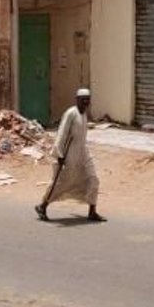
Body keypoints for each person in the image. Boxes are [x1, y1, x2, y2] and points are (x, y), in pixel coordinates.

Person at [36, 88, 104, 222]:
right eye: (83, 99)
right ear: (77, 100)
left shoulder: (84, 114)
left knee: (93, 178)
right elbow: (61, 134)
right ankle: (43, 205)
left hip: (83, 151)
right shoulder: (71, 114)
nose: (86, 102)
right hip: (69, 153)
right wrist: (59, 155)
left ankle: (92, 211)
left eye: (88, 99)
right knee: (62, 182)